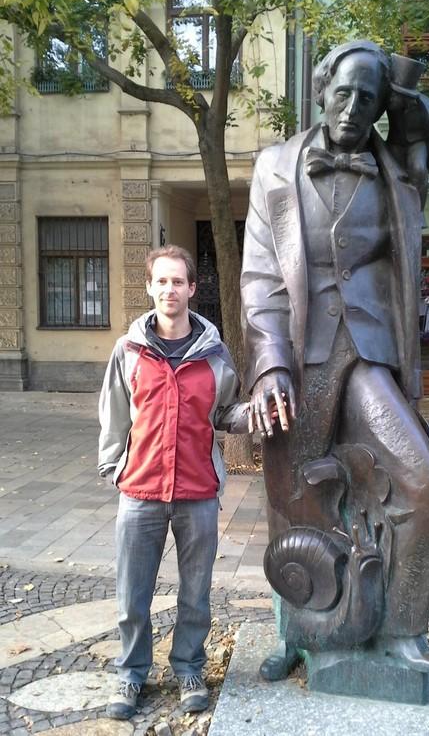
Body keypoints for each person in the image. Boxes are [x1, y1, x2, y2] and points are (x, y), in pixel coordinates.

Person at [241, 40, 429, 677]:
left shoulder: (400, 174)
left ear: (383, 107)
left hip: (368, 355)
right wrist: (269, 364)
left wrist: (403, 98)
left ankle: (402, 628)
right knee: (292, 500)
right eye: (344, 92)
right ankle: (294, 634)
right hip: (298, 359)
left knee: (426, 485)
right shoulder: (275, 167)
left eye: (369, 98)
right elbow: (261, 277)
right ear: (320, 91)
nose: (354, 107)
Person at [98, 244, 247, 720]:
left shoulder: (215, 355)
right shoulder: (129, 351)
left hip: (197, 492)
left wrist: (255, 414)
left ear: (192, 289)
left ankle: (188, 668)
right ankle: (131, 673)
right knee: (132, 595)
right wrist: (114, 468)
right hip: (139, 491)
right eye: (161, 281)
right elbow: (114, 413)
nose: (169, 289)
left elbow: (225, 412)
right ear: (149, 287)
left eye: (178, 281)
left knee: (195, 594)